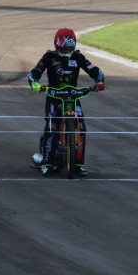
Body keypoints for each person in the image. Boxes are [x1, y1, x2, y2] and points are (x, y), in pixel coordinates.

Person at [27, 28, 105, 177]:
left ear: (74, 45)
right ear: (57, 45)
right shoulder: (49, 56)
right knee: (51, 126)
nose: (67, 49)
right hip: (54, 96)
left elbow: (94, 70)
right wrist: (34, 83)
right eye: (64, 47)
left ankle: (80, 165)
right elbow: (34, 72)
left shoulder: (78, 56)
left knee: (81, 128)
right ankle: (47, 163)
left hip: (73, 97)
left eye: (70, 46)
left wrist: (99, 81)